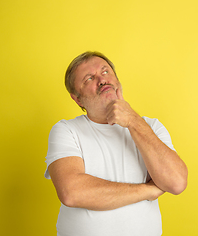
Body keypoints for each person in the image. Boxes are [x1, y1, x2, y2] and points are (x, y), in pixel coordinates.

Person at [45, 51, 188, 236]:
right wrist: (149, 190)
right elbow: (71, 192)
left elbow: (176, 182)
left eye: (105, 72)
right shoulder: (66, 130)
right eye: (89, 78)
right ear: (77, 98)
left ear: (117, 80)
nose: (102, 80)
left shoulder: (151, 126)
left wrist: (133, 122)